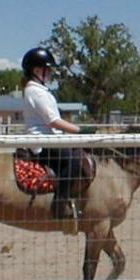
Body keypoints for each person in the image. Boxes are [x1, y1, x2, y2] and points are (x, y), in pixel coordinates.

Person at [21, 47, 96, 219]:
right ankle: (60, 202)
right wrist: (80, 131)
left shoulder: (38, 90)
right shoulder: (35, 92)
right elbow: (53, 121)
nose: (50, 73)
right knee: (75, 162)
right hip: (42, 142)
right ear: (37, 70)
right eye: (48, 69)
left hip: (50, 138)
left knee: (78, 154)